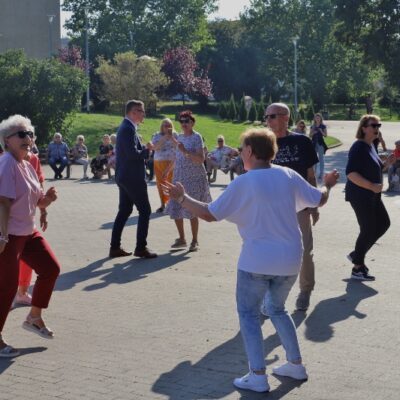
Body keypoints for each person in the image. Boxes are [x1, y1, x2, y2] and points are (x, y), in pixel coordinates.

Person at [162, 128, 339, 392]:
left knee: (248, 315)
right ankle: (295, 364)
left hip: (256, 261)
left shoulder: (243, 182)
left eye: (242, 148)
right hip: (290, 259)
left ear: (251, 152)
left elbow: (211, 214)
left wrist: (181, 198)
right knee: (278, 310)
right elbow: (319, 198)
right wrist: (328, 183)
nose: (239, 152)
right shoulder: (288, 175)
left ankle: (257, 375)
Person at [0, 115, 60, 357]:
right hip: (11, 235)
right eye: (22, 134)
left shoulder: (27, 163)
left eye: (30, 134)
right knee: (6, 288)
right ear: (7, 140)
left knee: (50, 268)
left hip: (28, 232)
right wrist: (2, 237)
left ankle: (34, 317)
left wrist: (49, 201)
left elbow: (37, 200)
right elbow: (3, 203)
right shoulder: (7, 164)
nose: (28, 138)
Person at [264, 103, 319, 311]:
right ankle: (271, 295)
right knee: (271, 252)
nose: (268, 120)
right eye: (266, 117)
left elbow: (311, 175)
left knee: (304, 251)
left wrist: (314, 204)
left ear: (285, 117)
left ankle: (305, 290)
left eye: (272, 116)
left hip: (299, 206)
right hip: (270, 208)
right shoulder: (263, 142)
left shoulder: (301, 141)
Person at [345, 115, 394, 281]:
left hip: (373, 195)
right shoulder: (358, 147)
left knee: (384, 223)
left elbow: (377, 168)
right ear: (364, 128)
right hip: (360, 195)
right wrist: (372, 186)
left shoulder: (371, 145)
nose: (376, 128)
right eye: (373, 125)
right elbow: (351, 174)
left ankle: (357, 255)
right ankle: (358, 267)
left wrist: (387, 162)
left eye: (378, 125)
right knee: (368, 229)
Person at [109, 100, 157, 259]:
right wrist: (147, 150)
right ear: (133, 112)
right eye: (141, 111)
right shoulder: (128, 129)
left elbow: (130, 153)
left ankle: (115, 247)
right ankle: (141, 248)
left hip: (125, 176)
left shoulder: (127, 127)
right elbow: (132, 155)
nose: (144, 114)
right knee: (145, 210)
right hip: (132, 178)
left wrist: (143, 150)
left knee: (125, 210)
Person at [165, 111, 211, 252]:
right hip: (179, 176)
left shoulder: (197, 137)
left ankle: (194, 240)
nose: (184, 124)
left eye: (187, 121)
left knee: (192, 209)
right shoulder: (179, 137)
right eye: (182, 121)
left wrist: (185, 151)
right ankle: (182, 239)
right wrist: (168, 169)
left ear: (192, 123)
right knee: (176, 206)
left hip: (194, 178)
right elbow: (177, 156)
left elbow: (200, 159)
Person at [15, 151, 48, 306]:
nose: (27, 139)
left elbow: (38, 186)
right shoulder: (5, 160)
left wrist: (43, 211)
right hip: (8, 224)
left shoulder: (33, 158)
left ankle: (21, 292)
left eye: (30, 136)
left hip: (26, 222)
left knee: (29, 259)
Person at [150, 118, 178, 213]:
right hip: (159, 161)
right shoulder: (157, 135)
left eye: (169, 125)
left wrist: (171, 138)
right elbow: (155, 148)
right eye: (165, 125)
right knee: (160, 183)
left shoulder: (175, 135)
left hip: (172, 162)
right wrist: (164, 138)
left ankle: (171, 203)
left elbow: (179, 147)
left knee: (171, 183)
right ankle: (162, 204)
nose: (167, 127)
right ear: (162, 126)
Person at [309, 113, 328, 180]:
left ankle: (321, 174)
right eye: (316, 118)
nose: (317, 119)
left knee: (321, 159)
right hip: (314, 144)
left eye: (318, 117)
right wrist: (313, 132)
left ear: (320, 118)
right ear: (314, 119)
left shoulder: (323, 126)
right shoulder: (312, 126)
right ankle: (314, 173)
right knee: (314, 159)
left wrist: (321, 131)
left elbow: (325, 135)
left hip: (320, 144)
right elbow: (310, 135)